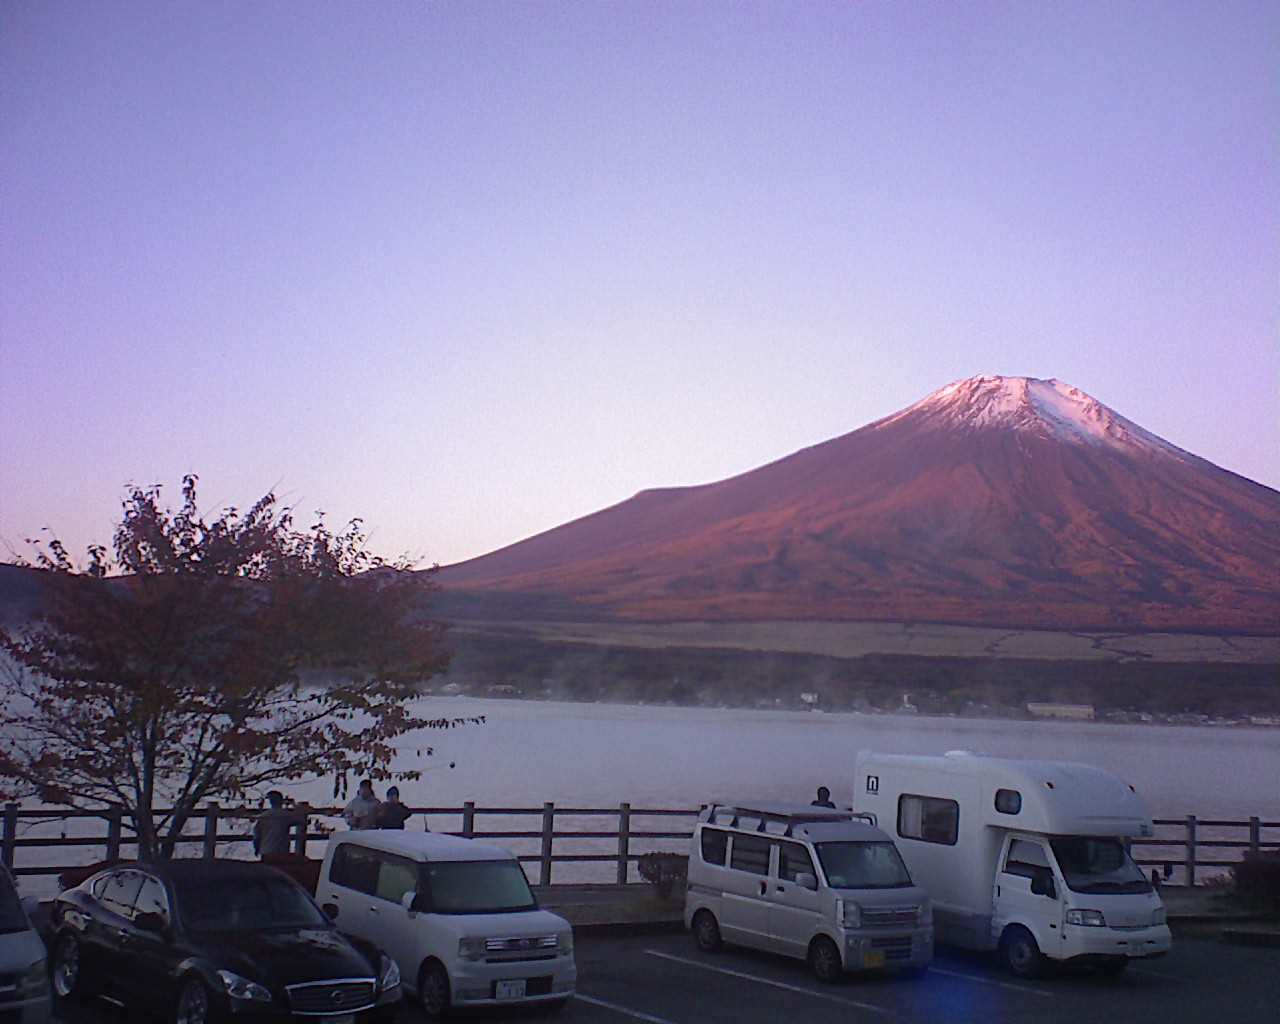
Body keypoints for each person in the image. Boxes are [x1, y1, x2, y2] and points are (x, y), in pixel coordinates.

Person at [252, 791, 304, 858]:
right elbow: (301, 819)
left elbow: (256, 835)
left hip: (265, 850)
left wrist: (256, 849)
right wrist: (294, 804)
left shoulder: (264, 816)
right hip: (282, 851)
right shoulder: (286, 815)